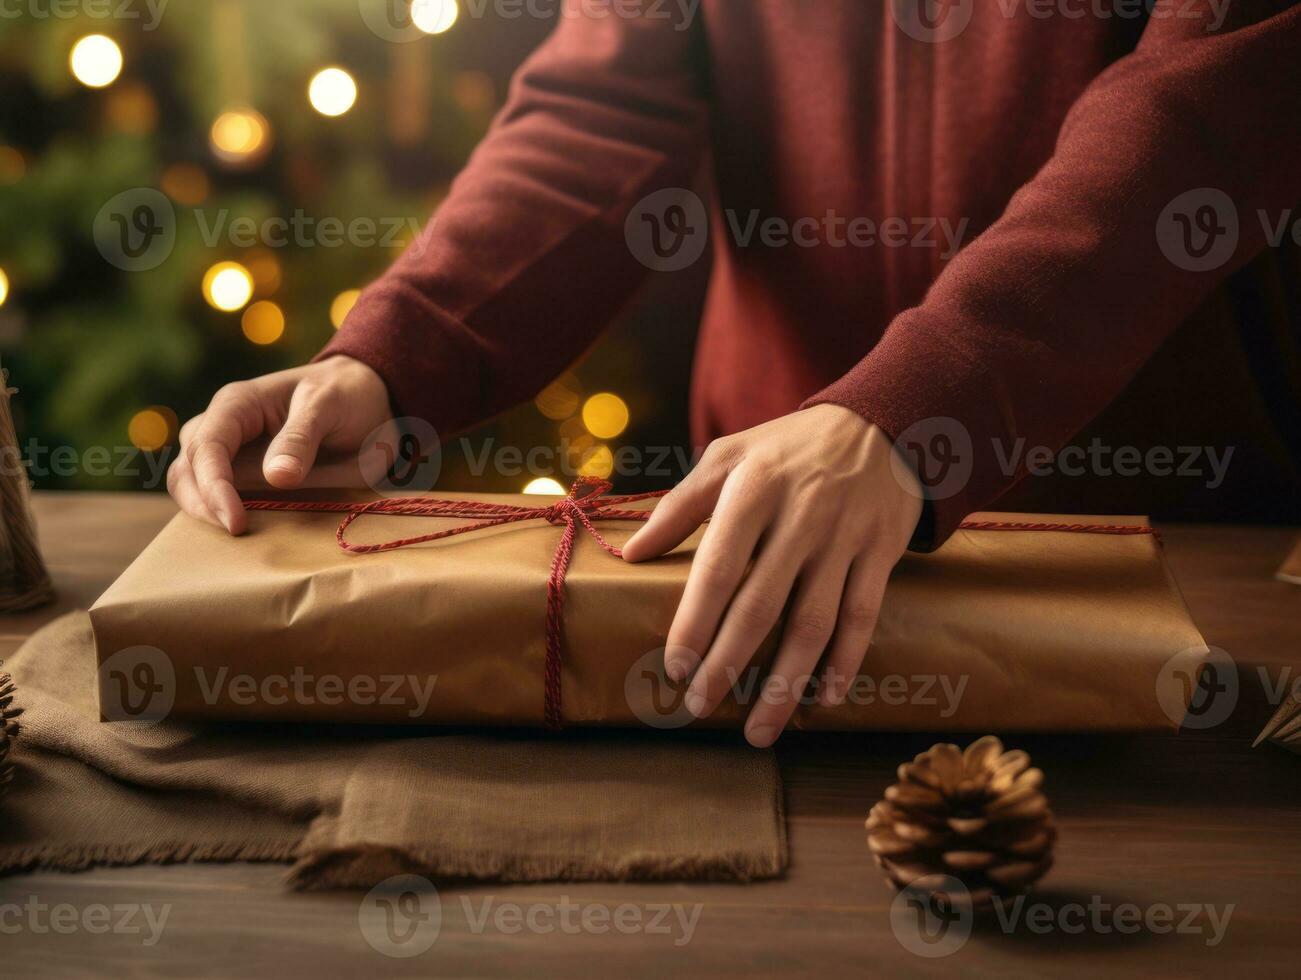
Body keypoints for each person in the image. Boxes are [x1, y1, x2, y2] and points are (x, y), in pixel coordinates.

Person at [169, 2, 1301, 746]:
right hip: (756, 561)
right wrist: (392, 349)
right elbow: (601, 111)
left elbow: (1201, 105)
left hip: (1165, 558)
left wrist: (913, 409)